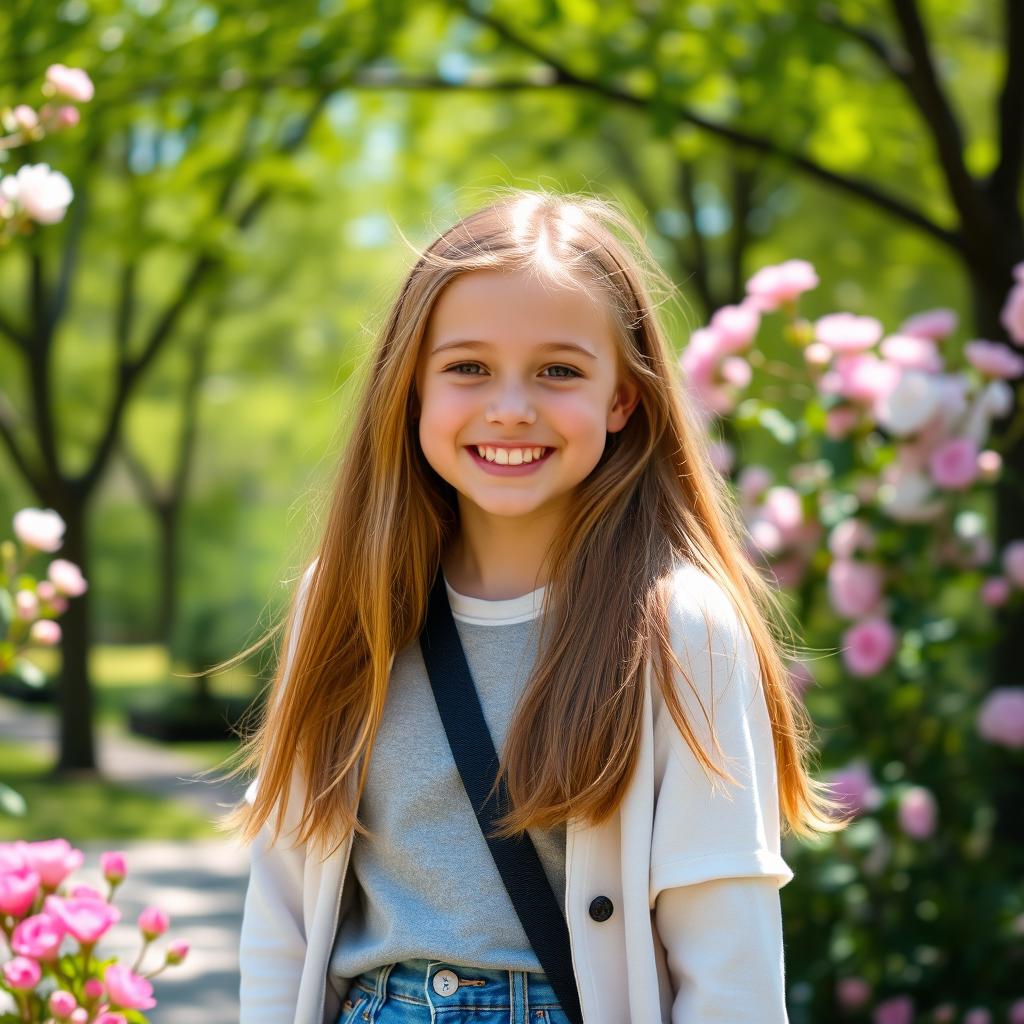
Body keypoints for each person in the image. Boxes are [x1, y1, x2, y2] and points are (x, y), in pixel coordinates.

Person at [218, 188, 848, 1024]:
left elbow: (726, 949)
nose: (511, 407)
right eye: (467, 367)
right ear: (411, 388)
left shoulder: (678, 626)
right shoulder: (344, 603)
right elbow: (284, 903)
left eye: (559, 370)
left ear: (623, 398)